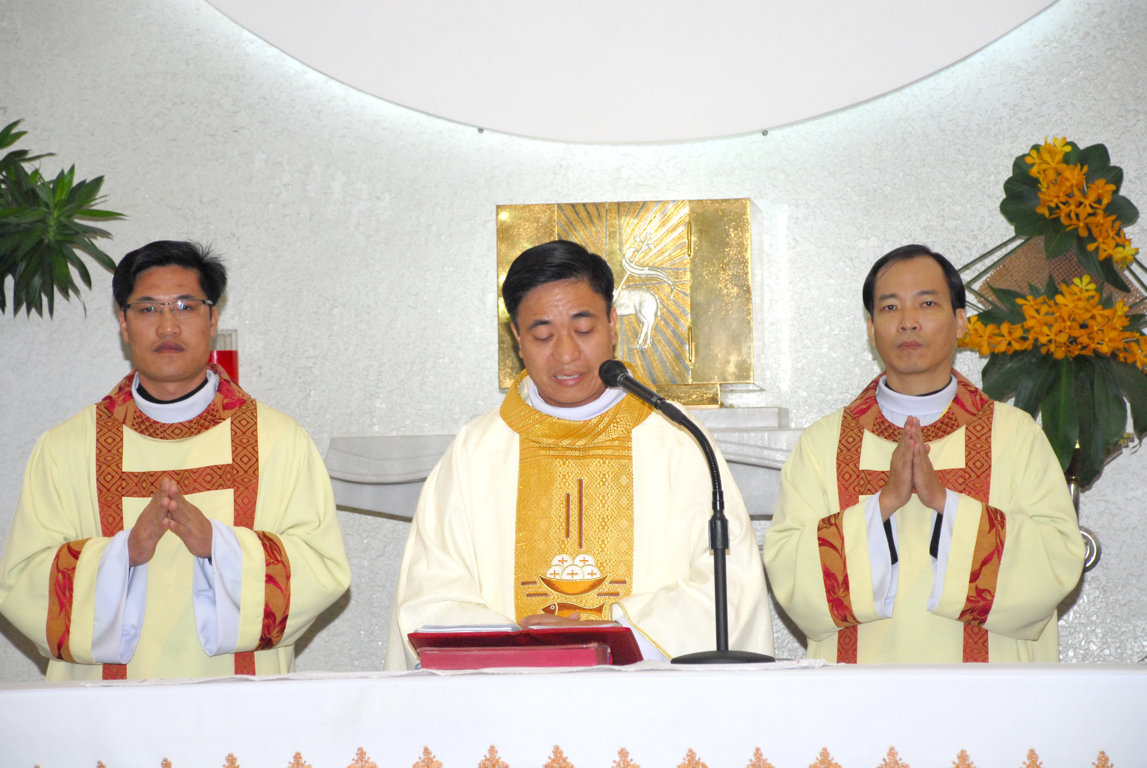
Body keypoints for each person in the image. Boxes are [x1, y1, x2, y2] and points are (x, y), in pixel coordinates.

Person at [385, 239, 772, 668]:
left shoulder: (677, 438)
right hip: (508, 697)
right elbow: (431, 595)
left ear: (612, 323)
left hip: (650, 696)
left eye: (584, 330)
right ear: (517, 338)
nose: (566, 354)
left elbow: (727, 586)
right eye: (543, 335)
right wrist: (527, 647)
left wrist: (614, 637)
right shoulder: (477, 451)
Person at [0, 240, 350, 680]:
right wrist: (125, 553)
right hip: (104, 713)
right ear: (124, 323)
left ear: (212, 319)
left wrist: (217, 546)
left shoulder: (279, 441)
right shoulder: (66, 448)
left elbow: (323, 569)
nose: (167, 326)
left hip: (241, 705)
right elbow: (21, 585)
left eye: (185, 306)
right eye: (148, 309)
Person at [763, 244, 1084, 663]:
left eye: (927, 303)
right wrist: (884, 504)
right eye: (890, 307)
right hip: (858, 692)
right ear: (871, 329)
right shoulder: (824, 444)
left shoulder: (1015, 436)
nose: (908, 321)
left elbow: (1058, 560)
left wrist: (945, 503)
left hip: (989, 692)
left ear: (960, 321)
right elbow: (789, 572)